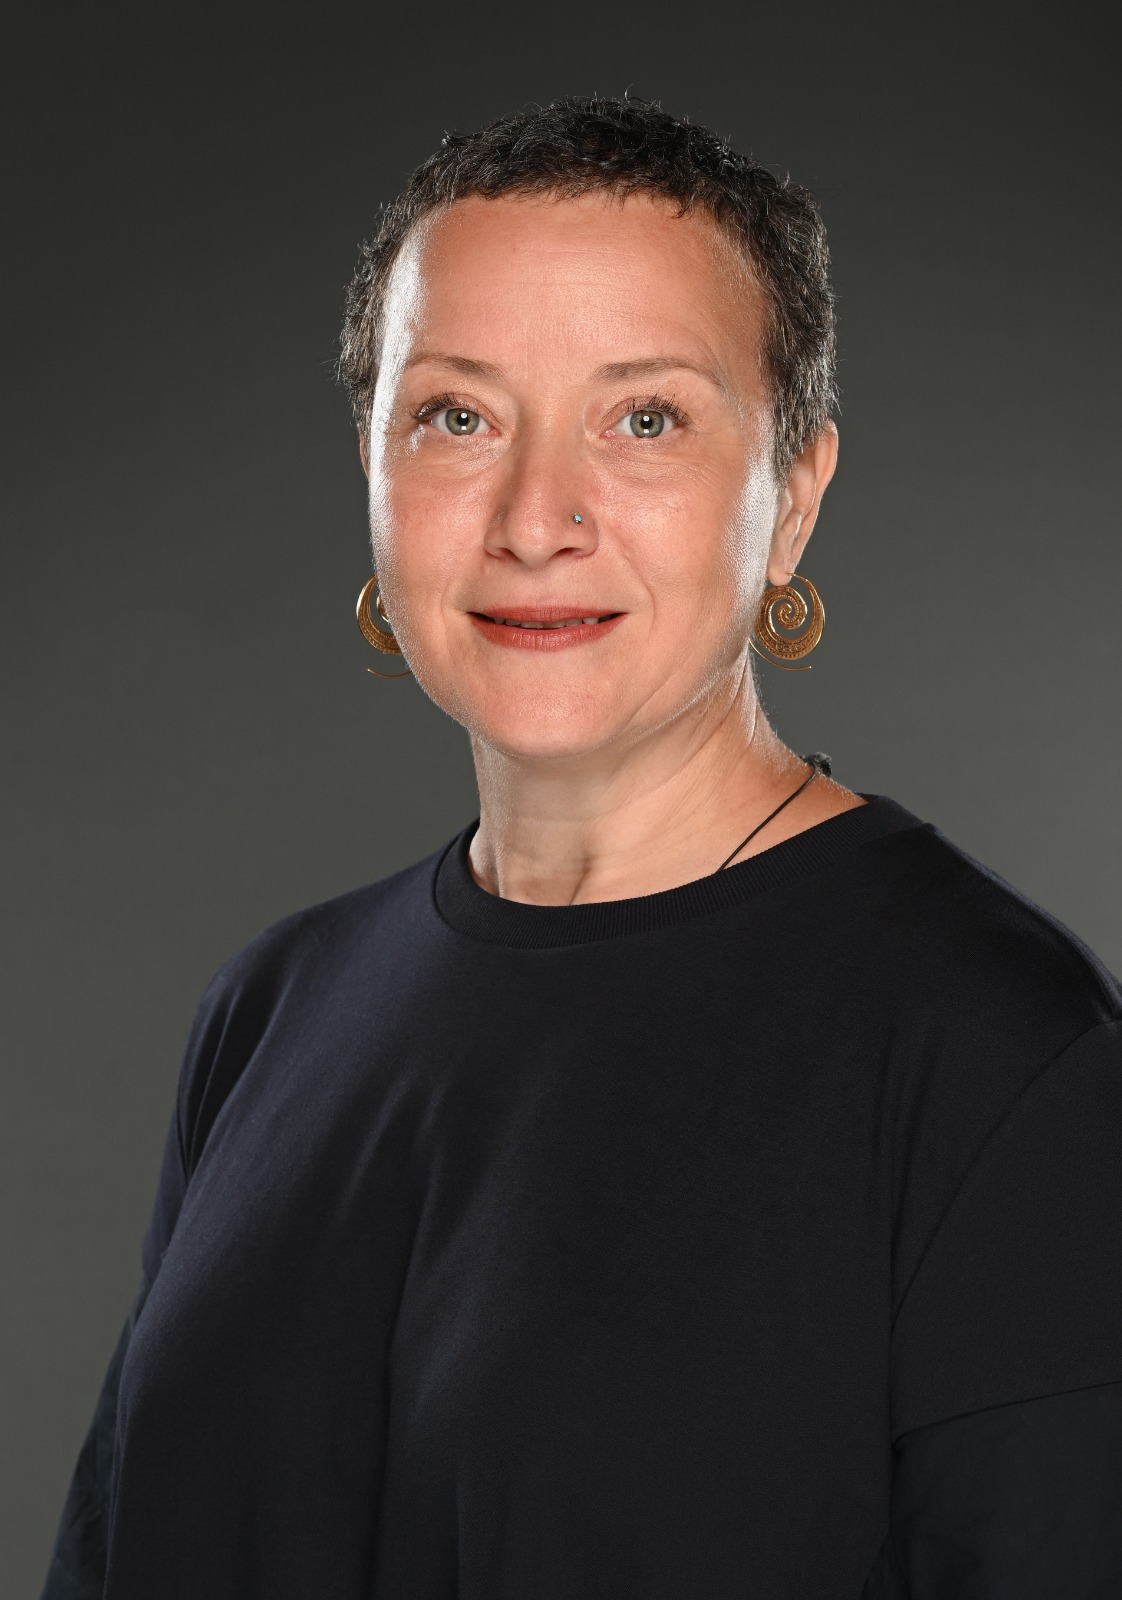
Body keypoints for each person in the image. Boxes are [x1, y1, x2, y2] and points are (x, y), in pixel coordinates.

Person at [42, 96, 1122, 1600]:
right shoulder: (270, 1010)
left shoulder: (1000, 1061)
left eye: (644, 418)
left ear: (790, 497)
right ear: (373, 471)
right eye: (457, 416)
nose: (533, 518)